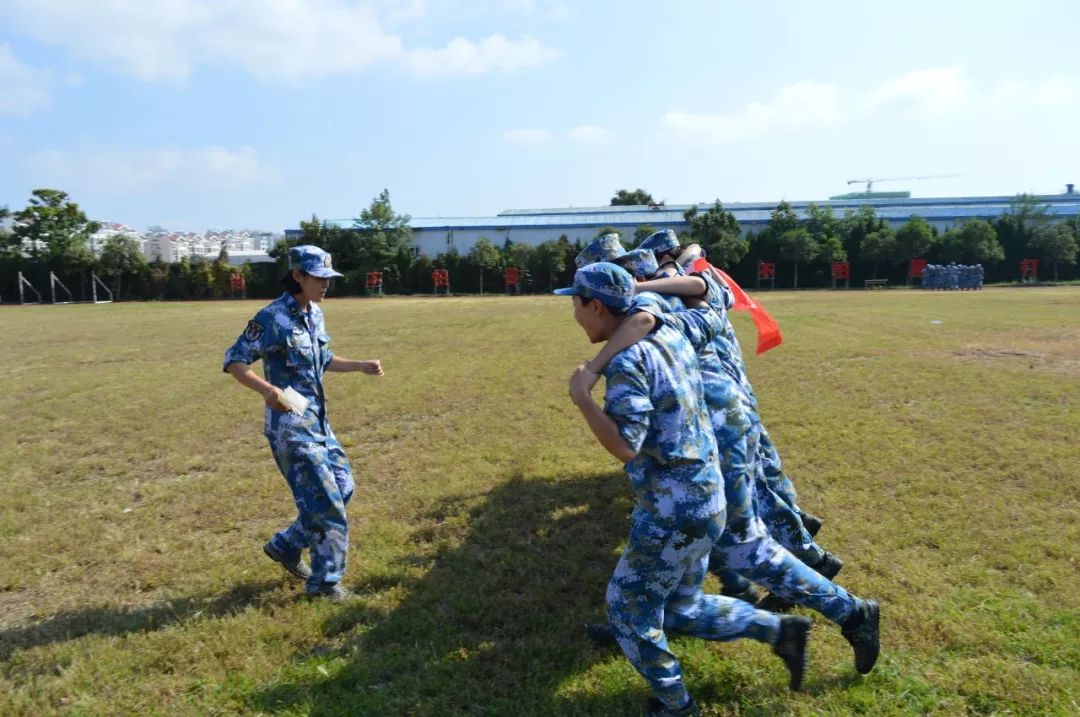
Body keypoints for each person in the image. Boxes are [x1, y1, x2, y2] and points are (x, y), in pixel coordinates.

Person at [559, 262, 809, 717]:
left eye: (575, 305)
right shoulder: (674, 332)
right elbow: (708, 303)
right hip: (707, 496)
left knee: (627, 609)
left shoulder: (628, 363)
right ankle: (779, 630)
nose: (574, 315)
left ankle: (676, 705)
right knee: (680, 607)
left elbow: (625, 447)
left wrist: (582, 396)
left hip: (674, 510)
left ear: (595, 306)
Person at [222, 245, 383, 602]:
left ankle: (286, 545)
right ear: (298, 275)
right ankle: (325, 586)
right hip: (291, 429)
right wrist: (268, 391)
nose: (326, 285)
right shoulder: (271, 318)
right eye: (319, 278)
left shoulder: (315, 314)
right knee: (327, 506)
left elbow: (323, 358)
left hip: (319, 424)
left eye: (329, 278)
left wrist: (360, 365)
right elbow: (235, 361)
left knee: (343, 485)